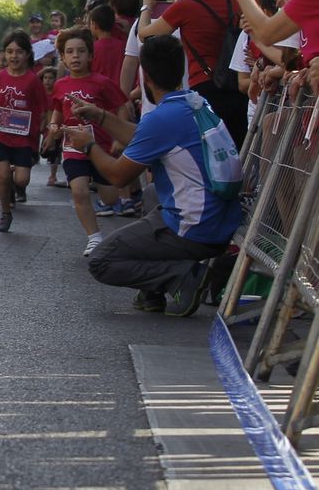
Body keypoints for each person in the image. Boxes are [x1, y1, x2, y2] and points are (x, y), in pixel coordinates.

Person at [73, 34, 241, 315]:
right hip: (220, 219)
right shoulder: (194, 102)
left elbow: (117, 177)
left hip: (196, 229)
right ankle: (153, 291)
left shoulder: (162, 118)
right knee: (151, 193)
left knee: (101, 261)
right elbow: (144, 138)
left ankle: (183, 278)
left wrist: (88, 146)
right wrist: (100, 116)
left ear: (145, 76)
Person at [139, 0, 247, 147]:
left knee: (213, 153)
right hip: (236, 83)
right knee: (239, 149)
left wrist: (146, 7)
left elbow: (145, 34)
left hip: (205, 85)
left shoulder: (184, 7)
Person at [45, 27, 130, 257]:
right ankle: (94, 237)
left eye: (81, 51)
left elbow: (122, 106)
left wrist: (119, 137)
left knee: (110, 197)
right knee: (79, 192)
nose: (75, 56)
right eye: (70, 52)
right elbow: (57, 110)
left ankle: (106, 206)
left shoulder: (101, 83)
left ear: (91, 56)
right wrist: (53, 127)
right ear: (62, 57)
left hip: (100, 148)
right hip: (73, 148)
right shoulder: (61, 85)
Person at [0, 30, 46, 233]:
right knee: (3, 175)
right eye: (10, 51)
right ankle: (5, 214)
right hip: (1, 135)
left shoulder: (32, 81)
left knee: (22, 179)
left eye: (19, 52)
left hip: (24, 138)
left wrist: (43, 133)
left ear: (27, 55)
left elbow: (42, 109)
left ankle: (14, 188)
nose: (13, 56)